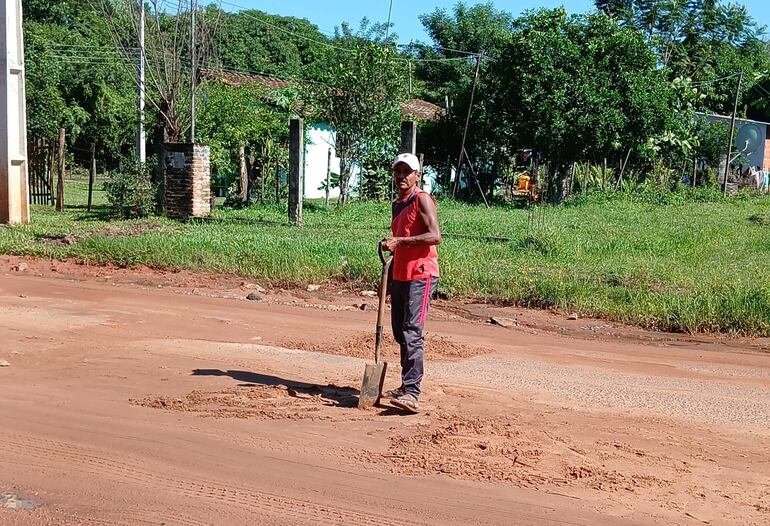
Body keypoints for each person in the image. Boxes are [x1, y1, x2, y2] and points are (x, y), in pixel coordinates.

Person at [380, 153, 441, 414]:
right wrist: (388, 274)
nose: (402, 176)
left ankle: (412, 392)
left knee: (411, 331)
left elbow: (434, 236)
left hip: (421, 273)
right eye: (398, 171)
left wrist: (399, 242)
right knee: (399, 332)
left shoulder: (422, 199)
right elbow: (398, 240)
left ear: (418, 175)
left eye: (407, 172)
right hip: (401, 274)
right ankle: (406, 387)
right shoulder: (398, 204)